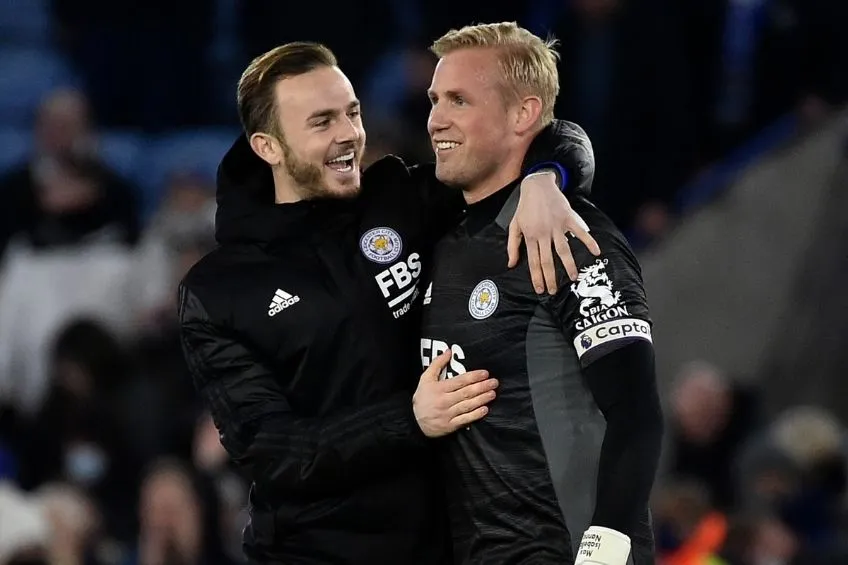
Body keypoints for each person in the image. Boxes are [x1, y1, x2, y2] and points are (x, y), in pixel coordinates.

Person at [178, 41, 599, 565]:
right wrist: (410, 419)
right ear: (268, 147)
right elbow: (275, 453)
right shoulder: (218, 291)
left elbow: (556, 137)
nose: (348, 135)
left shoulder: (402, 198)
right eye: (322, 122)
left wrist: (542, 180)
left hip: (449, 542)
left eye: (352, 113)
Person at [419, 22, 664, 565]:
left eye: (459, 100)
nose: (436, 119)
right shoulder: (442, 238)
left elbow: (635, 411)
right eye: (434, 100)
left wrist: (606, 548)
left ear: (524, 114)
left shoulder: (567, 235)